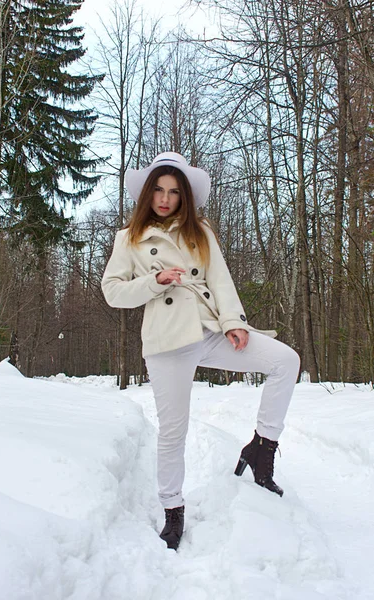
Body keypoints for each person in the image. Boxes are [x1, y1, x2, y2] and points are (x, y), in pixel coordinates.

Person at [101, 152, 300, 551]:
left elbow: (221, 280)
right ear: (146, 191)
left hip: (209, 330)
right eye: (158, 188)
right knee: (174, 431)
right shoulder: (130, 238)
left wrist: (234, 323)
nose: (164, 197)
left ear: (184, 196)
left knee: (285, 360)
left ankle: (262, 448)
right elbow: (112, 292)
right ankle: (173, 511)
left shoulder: (200, 231)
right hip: (167, 341)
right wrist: (155, 280)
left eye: (174, 191)